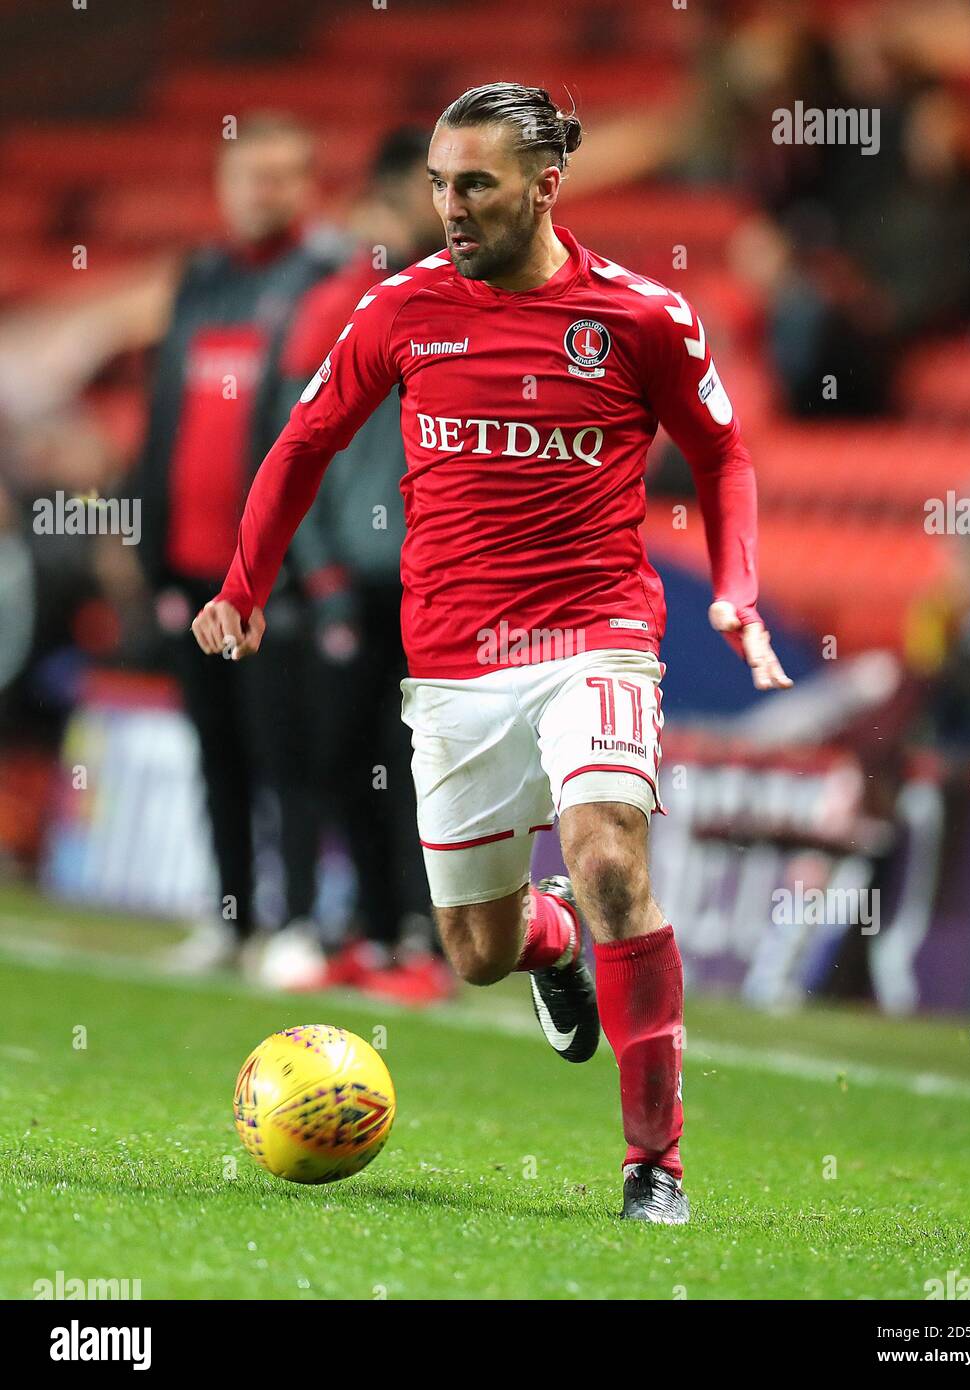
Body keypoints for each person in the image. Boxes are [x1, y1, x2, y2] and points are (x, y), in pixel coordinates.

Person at [192, 82, 791, 1223]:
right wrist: (242, 583)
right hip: (458, 656)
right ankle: (550, 935)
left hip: (595, 631)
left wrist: (737, 591)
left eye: (476, 184)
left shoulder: (639, 315)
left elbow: (725, 455)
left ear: (545, 185)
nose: (450, 206)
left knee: (612, 856)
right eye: (437, 183)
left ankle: (653, 1162)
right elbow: (304, 440)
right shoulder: (402, 309)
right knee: (474, 948)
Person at [136, 113, 336, 970]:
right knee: (215, 749)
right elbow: (164, 418)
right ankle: (231, 920)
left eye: (283, 176)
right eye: (251, 177)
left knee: (283, 749)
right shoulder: (201, 279)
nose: (266, 193)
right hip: (189, 560)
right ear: (223, 187)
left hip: (274, 569)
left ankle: (294, 924)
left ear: (308, 184)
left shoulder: (326, 283)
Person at [276, 127, 450, 1002]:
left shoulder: (458, 304)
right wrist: (317, 570)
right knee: (344, 758)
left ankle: (422, 939)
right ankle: (375, 931)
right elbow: (297, 450)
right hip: (349, 577)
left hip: (431, 579)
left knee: (416, 760)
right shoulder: (333, 311)